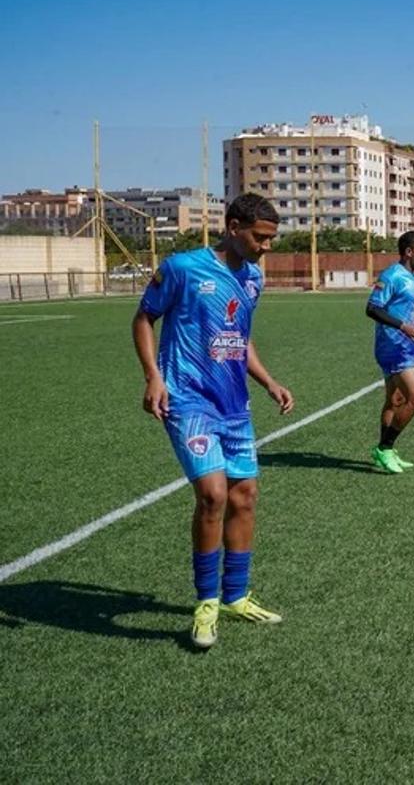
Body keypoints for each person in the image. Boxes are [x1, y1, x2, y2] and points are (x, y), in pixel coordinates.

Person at [132, 193, 294, 650]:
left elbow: (240, 340)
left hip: (234, 405)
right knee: (213, 495)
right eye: (261, 237)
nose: (267, 247)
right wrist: (153, 377)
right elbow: (144, 319)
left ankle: (236, 596)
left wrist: (268, 382)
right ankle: (206, 602)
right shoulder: (183, 268)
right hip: (186, 399)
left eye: (272, 239)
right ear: (233, 225)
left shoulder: (253, 279)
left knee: (245, 496)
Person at [365, 230, 414, 474]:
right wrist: (403, 327)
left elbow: (408, 311)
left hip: (406, 344)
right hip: (393, 346)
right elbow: (372, 309)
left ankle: (383, 452)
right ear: (409, 252)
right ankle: (385, 448)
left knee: (394, 400)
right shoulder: (391, 275)